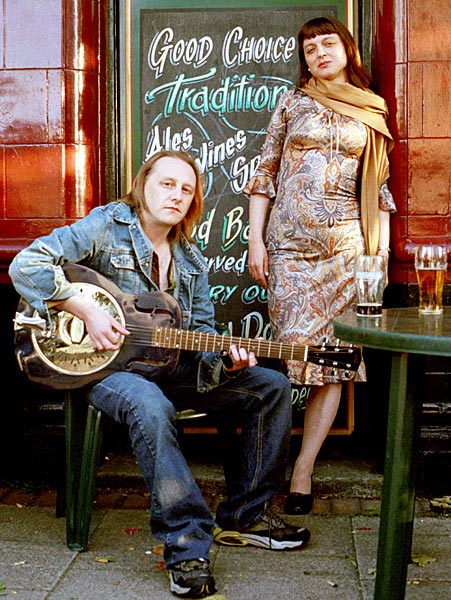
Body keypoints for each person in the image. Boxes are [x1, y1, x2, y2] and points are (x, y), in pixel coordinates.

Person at [9, 150, 310, 599]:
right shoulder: (106, 225)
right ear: (144, 183)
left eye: (186, 190)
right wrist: (82, 306)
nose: (176, 195)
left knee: (270, 386)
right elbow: (26, 264)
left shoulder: (189, 259)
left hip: (168, 365)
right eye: (167, 183)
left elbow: (203, 334)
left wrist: (226, 360)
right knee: (150, 404)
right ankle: (186, 545)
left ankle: (245, 515)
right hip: (102, 367)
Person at [245, 17, 396, 516]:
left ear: (346, 49)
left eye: (327, 43)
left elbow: (378, 191)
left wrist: (380, 259)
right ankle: (262, 467)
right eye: (309, 48)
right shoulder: (292, 103)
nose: (318, 53)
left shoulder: (371, 110)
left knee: (332, 363)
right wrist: (255, 239)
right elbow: (265, 171)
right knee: (296, 358)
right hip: (289, 249)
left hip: (346, 253)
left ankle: (303, 469)